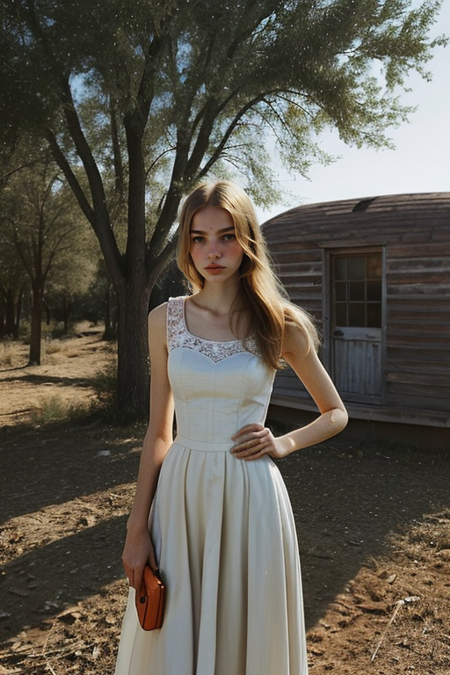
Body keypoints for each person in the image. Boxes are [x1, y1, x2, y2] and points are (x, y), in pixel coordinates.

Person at [114, 180, 348, 675]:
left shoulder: (278, 322)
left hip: (251, 493)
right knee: (177, 625)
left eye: (226, 236)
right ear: (186, 244)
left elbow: (335, 412)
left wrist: (282, 442)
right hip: (181, 494)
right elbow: (159, 431)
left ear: (247, 240)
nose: (212, 251)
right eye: (199, 238)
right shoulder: (166, 320)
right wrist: (138, 528)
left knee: (247, 630)